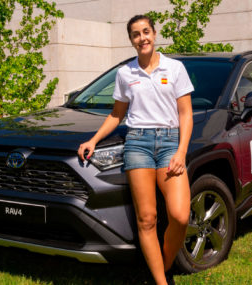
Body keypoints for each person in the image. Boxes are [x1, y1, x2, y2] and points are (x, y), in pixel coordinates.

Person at [77, 14, 193, 285]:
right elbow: (117, 115)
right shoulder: (125, 73)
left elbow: (185, 114)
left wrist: (181, 152)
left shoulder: (174, 69)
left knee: (179, 214)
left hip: (169, 143)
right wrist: (93, 140)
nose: (142, 38)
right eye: (136, 34)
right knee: (147, 218)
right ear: (131, 40)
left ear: (154, 33)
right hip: (137, 144)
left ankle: (162, 264)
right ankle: (160, 282)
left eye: (146, 32)